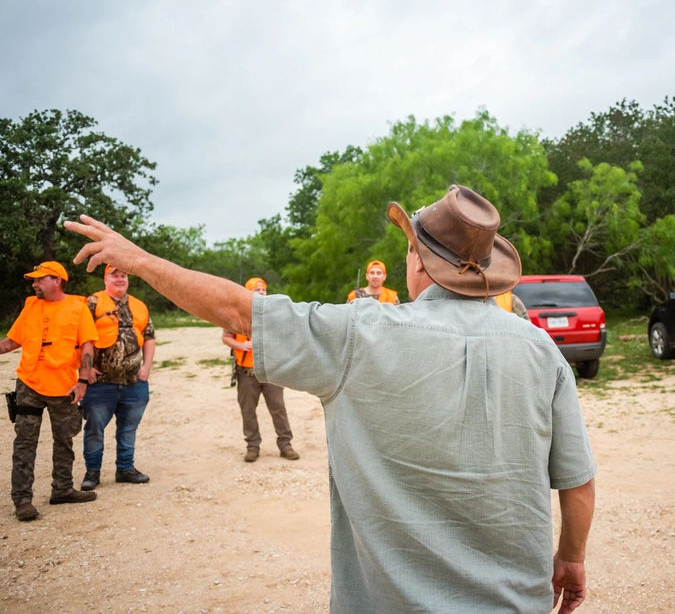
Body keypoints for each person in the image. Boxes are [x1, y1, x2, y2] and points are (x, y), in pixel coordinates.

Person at [66, 185, 596, 614]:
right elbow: (577, 480)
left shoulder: (360, 334)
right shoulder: (541, 350)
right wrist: (571, 558)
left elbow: (238, 310)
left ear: (418, 260)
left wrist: (140, 260)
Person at [0, 261, 99, 521]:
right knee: (24, 442)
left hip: (64, 387)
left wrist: (83, 381)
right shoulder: (31, 306)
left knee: (64, 440)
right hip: (29, 385)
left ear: (57, 280)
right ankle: (22, 500)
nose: (34, 284)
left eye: (40, 279)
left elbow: (87, 346)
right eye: (34, 280)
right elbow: (11, 342)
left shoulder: (78, 307)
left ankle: (62, 489)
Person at [80, 265, 156, 491]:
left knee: (128, 428)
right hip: (100, 382)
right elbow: (80, 338)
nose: (120, 279)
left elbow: (149, 337)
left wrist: (147, 366)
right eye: (115, 275)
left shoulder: (139, 305)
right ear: (106, 278)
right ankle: (92, 473)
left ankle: (125, 468)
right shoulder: (92, 302)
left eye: (123, 275)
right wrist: (85, 370)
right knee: (94, 428)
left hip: (134, 382)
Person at [221, 277, 300, 463]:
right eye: (257, 290)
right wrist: (242, 346)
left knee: (278, 408)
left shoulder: (274, 314)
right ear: (247, 293)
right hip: (246, 372)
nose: (262, 293)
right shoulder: (236, 315)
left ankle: (285, 445)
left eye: (264, 290)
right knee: (248, 410)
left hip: (271, 371)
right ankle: (252, 446)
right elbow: (226, 337)